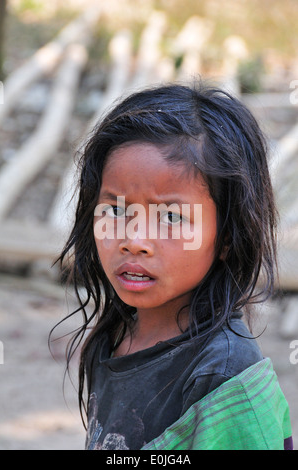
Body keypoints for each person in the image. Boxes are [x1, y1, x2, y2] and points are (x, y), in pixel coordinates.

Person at [54, 81, 293, 450]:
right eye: (115, 210)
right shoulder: (115, 335)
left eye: (170, 216)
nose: (133, 239)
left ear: (227, 236)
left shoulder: (225, 378)